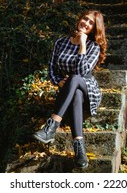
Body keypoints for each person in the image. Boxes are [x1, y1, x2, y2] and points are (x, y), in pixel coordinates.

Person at [33, 9, 107, 169]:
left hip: (89, 90)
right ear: (79, 19)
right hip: (69, 91)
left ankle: (52, 125)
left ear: (94, 29)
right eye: (85, 19)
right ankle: (79, 149)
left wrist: (82, 44)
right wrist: (59, 82)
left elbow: (81, 72)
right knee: (75, 93)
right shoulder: (61, 42)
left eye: (91, 23)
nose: (86, 23)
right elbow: (51, 68)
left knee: (75, 78)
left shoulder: (93, 46)